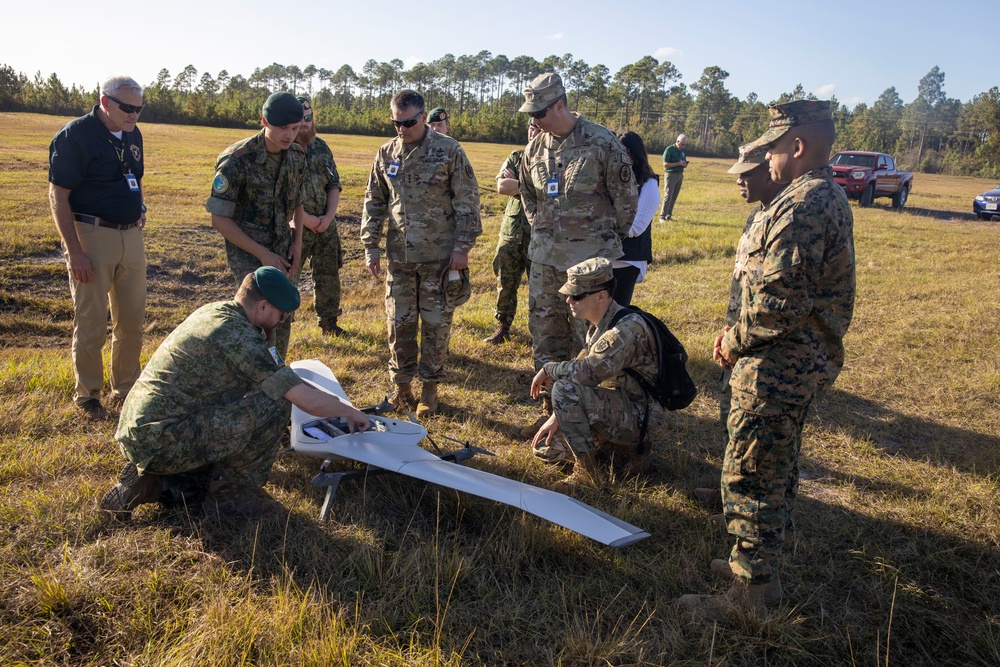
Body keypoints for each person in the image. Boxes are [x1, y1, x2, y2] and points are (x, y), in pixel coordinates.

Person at [679, 100, 855, 617]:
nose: (769, 159)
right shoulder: (803, 197)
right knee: (771, 468)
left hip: (779, 364)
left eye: (774, 147)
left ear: (796, 147)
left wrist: (734, 340)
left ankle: (749, 596)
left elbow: (780, 304)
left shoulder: (806, 204)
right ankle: (755, 571)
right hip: (780, 361)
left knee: (752, 474)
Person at [100, 267, 370, 518]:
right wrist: (348, 410)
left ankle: (155, 480)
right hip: (163, 438)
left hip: (143, 430)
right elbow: (299, 397)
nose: (281, 322)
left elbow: (284, 378)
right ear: (263, 307)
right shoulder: (240, 337)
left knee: (259, 399)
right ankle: (231, 494)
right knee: (274, 404)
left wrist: (334, 402)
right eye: (281, 315)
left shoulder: (215, 312)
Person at [517, 72, 638, 439]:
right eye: (530, 113)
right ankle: (552, 411)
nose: (534, 120)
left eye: (540, 112)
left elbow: (626, 204)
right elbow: (529, 200)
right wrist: (546, 239)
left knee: (590, 341)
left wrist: (598, 249)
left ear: (560, 105)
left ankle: (588, 417)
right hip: (544, 263)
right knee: (545, 336)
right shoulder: (534, 150)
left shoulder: (601, 143)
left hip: (588, 267)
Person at [361, 90, 482, 418]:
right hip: (399, 259)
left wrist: (462, 249)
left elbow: (467, 200)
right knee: (398, 323)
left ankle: (430, 386)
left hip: (439, 259)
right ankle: (401, 388)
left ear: (423, 117)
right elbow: (375, 201)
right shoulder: (386, 153)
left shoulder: (448, 150)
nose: (402, 129)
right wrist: (371, 246)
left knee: (435, 325)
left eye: (409, 123)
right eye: (396, 123)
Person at [692, 145, 787, 511]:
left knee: (754, 436)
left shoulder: (783, 219)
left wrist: (740, 338)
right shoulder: (759, 216)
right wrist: (729, 333)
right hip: (739, 338)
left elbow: (774, 300)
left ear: (770, 171)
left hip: (759, 345)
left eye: (747, 174)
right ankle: (729, 492)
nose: (739, 181)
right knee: (730, 417)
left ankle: (745, 508)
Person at [48, 75, 148, 421]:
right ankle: (88, 395)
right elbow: (58, 196)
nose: (134, 114)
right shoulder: (76, 135)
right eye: (127, 108)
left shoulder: (133, 134)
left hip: (131, 237)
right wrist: (74, 251)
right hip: (92, 236)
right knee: (91, 320)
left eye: (139, 107)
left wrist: (140, 208)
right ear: (105, 102)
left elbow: (133, 178)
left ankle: (126, 389)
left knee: (132, 319)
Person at [529, 258, 663, 487]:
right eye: (569, 294)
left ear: (601, 295)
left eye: (577, 296)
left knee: (563, 390)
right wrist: (556, 417)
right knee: (546, 451)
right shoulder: (600, 322)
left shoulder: (625, 329)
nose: (569, 300)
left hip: (639, 414)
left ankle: (588, 474)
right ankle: (617, 447)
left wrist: (549, 368)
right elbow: (586, 362)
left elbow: (588, 372)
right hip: (615, 403)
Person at [206, 91, 307, 360]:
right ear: (264, 121)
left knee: (282, 316)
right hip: (248, 254)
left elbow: (298, 202)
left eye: (295, 128)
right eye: (282, 128)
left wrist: (298, 244)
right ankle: (250, 380)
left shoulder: (297, 155)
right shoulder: (237, 160)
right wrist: (262, 254)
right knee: (254, 322)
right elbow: (219, 218)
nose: (289, 135)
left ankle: (277, 375)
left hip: (284, 251)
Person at [484, 119, 541, 344]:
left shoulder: (552, 159)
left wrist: (517, 184)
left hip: (538, 235)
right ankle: (503, 326)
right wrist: (530, 189)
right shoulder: (516, 157)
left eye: (538, 129)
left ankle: (540, 332)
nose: (533, 132)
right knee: (505, 282)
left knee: (539, 286)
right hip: (511, 232)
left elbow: (550, 192)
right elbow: (501, 187)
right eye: (531, 128)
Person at [293, 95, 346, 336]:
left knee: (328, 275)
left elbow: (333, 184)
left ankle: (329, 323)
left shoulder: (321, 146)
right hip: (295, 228)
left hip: (326, 226)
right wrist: (307, 220)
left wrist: (328, 217)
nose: (305, 124)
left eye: (308, 118)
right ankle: (281, 326)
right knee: (288, 277)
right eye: (299, 120)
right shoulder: (282, 149)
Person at [612, 132, 660, 306]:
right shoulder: (612, 180)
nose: (617, 156)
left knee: (615, 315)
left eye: (622, 151)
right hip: (604, 259)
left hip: (626, 261)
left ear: (635, 154)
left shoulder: (649, 185)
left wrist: (600, 226)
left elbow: (635, 227)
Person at [659, 134, 688, 221]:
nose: (682, 146)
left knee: (674, 196)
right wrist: (678, 164)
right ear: (677, 141)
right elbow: (665, 164)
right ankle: (662, 216)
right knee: (668, 195)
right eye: (682, 144)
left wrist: (684, 164)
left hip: (680, 174)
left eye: (684, 144)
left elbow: (683, 161)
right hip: (670, 175)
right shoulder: (670, 149)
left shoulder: (682, 152)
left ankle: (669, 216)